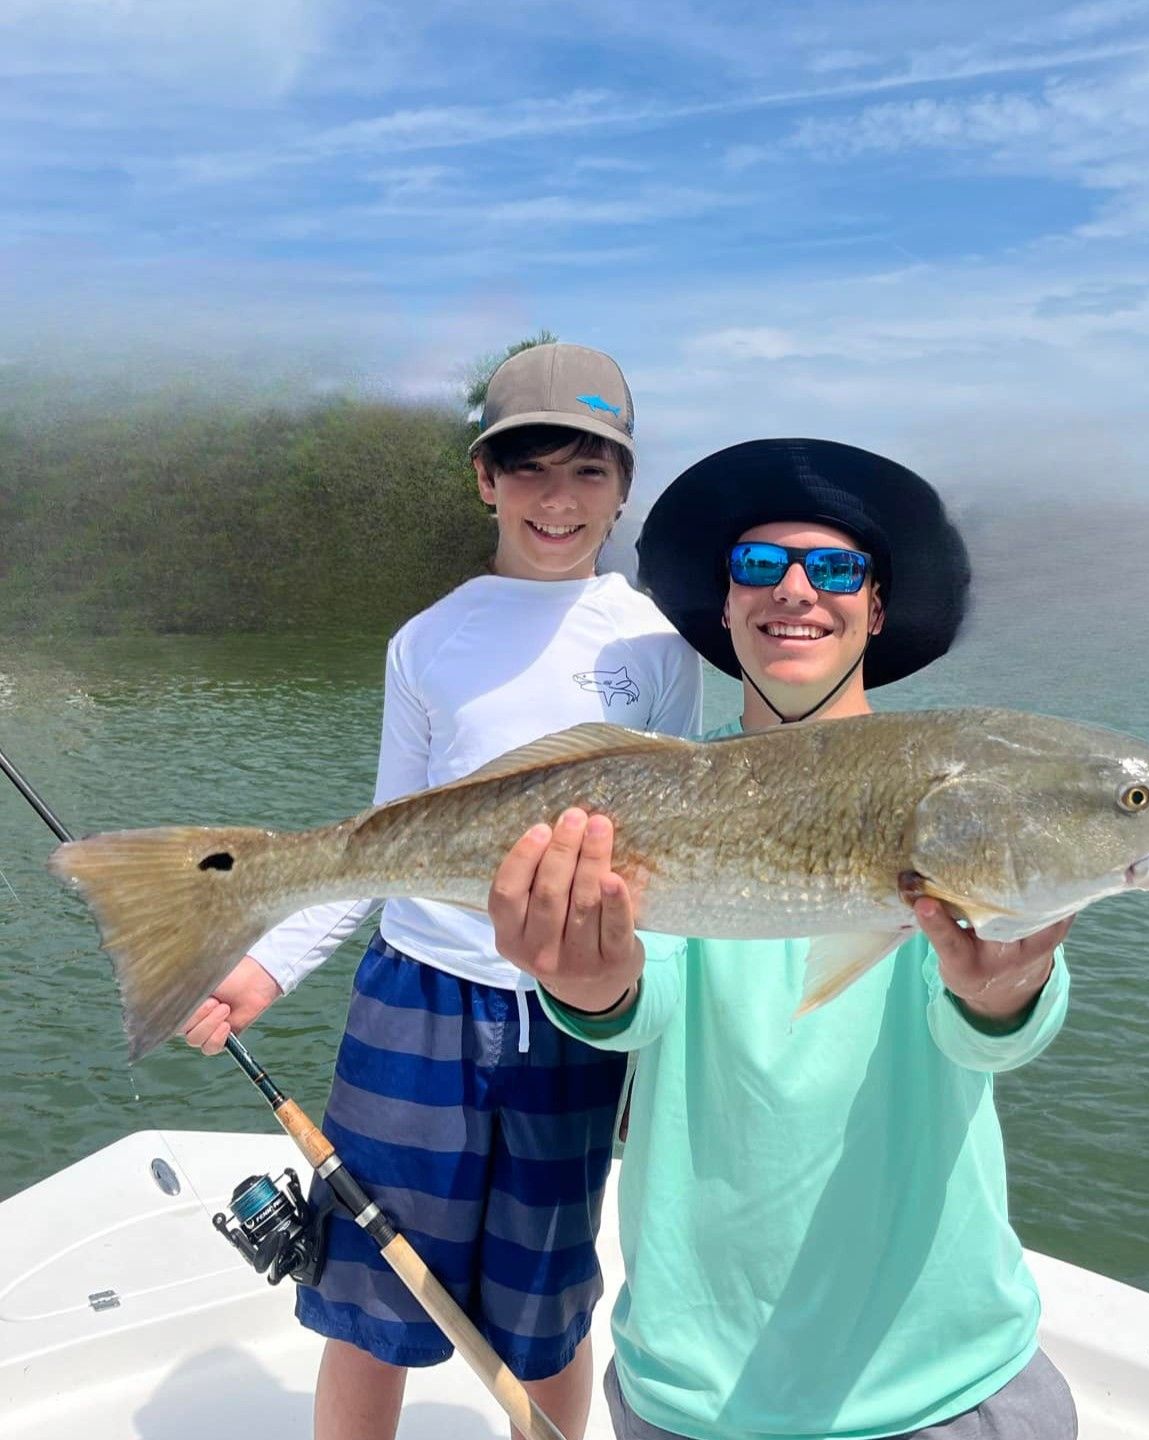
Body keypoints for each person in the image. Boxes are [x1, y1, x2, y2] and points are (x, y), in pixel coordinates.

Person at [486, 438, 1079, 1440]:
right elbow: (640, 1000)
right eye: (759, 566)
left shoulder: (961, 792)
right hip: (701, 1391)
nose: (795, 589)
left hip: (946, 1377)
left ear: (875, 610)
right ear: (725, 607)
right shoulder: (660, 793)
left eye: (837, 567)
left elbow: (994, 1028)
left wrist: (1006, 991)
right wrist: (589, 986)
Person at [180, 344, 703, 1440]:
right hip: (413, 1004)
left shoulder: (658, 646)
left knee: (549, 1312)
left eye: (589, 471)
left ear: (624, 485)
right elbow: (381, 845)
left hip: (573, 1019)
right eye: (528, 468)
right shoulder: (428, 641)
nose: (557, 500)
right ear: (483, 479)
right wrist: (267, 962)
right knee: (371, 1303)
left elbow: (683, 854)